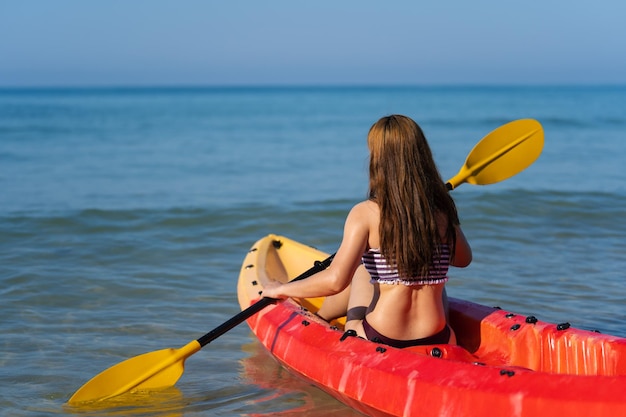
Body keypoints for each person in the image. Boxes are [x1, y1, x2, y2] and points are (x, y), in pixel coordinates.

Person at [261, 115, 472, 348]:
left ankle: (323, 320)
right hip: (438, 337)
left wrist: (282, 289)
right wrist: (438, 208)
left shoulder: (365, 213)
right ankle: (325, 317)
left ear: (378, 160)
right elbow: (463, 259)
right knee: (434, 281)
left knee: (361, 272)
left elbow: (335, 281)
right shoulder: (442, 210)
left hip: (382, 337)